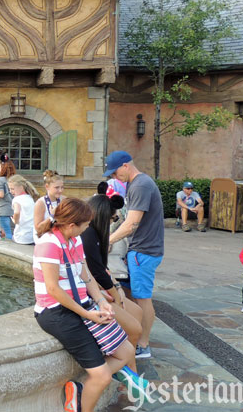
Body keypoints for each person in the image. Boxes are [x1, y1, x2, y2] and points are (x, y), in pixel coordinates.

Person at [33, 198, 137, 412]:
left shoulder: (75, 241)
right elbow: (53, 289)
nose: (89, 227)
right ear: (72, 225)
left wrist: (100, 301)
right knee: (102, 376)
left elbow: (86, 275)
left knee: (127, 351)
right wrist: (87, 314)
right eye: (86, 224)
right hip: (55, 312)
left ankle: (80, 387)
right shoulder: (49, 244)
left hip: (83, 305)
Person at [106, 150, 164, 360]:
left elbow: (132, 224)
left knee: (143, 300)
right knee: (133, 296)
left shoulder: (140, 185)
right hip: (140, 250)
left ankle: (143, 345)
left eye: (115, 173)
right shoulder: (137, 184)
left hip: (144, 251)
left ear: (125, 166)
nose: (114, 177)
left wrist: (107, 241)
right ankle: (134, 336)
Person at [83, 193, 145, 372]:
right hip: (93, 293)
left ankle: (128, 362)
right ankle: (129, 369)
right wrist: (116, 296)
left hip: (101, 288)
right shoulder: (88, 234)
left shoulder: (93, 234)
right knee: (134, 329)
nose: (113, 222)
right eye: (113, 218)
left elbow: (102, 269)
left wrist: (117, 288)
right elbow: (95, 271)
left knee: (137, 312)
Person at [33, 170, 65, 240]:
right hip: (44, 239)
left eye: (62, 187)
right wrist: (52, 216)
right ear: (47, 186)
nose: (60, 190)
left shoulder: (63, 200)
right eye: (57, 187)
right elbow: (38, 229)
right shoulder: (40, 203)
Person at [8, 174, 40, 245]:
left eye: (12, 189)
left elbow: (16, 212)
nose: (10, 191)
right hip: (32, 237)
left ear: (21, 187)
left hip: (21, 238)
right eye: (9, 189)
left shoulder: (17, 199)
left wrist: (15, 221)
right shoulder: (31, 198)